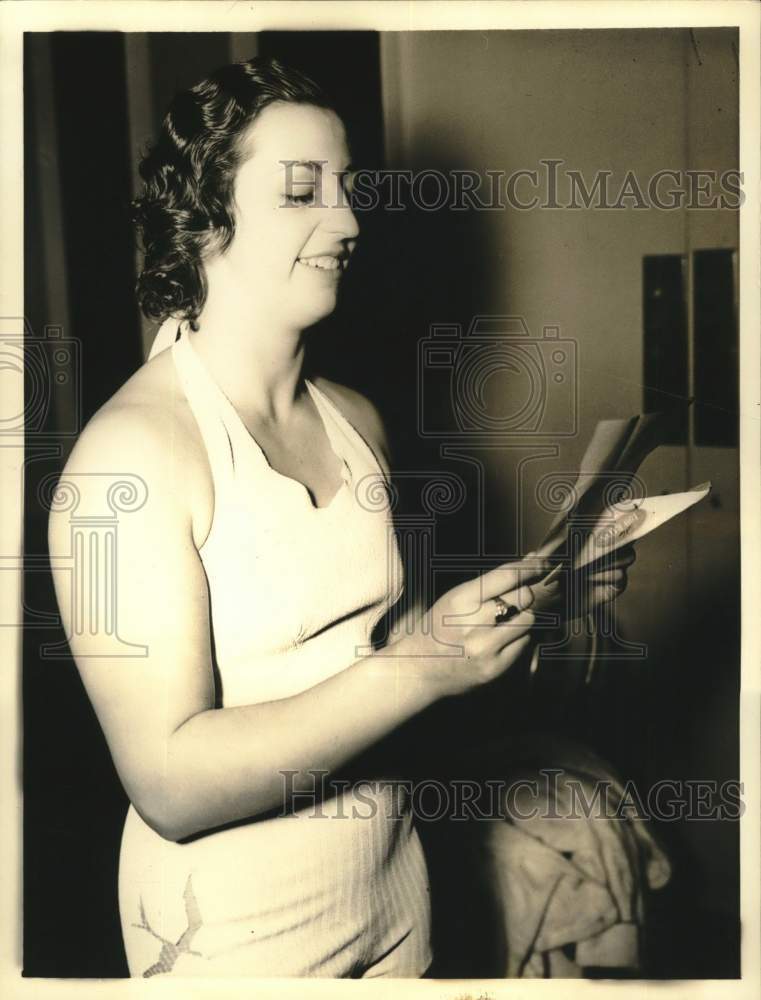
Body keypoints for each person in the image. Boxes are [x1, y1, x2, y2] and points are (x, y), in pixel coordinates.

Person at [48, 56, 634, 978]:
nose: (349, 221)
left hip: (396, 894)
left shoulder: (355, 422)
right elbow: (168, 784)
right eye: (301, 191)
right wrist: (418, 665)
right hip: (226, 932)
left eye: (347, 186)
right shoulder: (131, 456)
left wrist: (533, 614)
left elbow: (378, 670)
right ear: (205, 213)